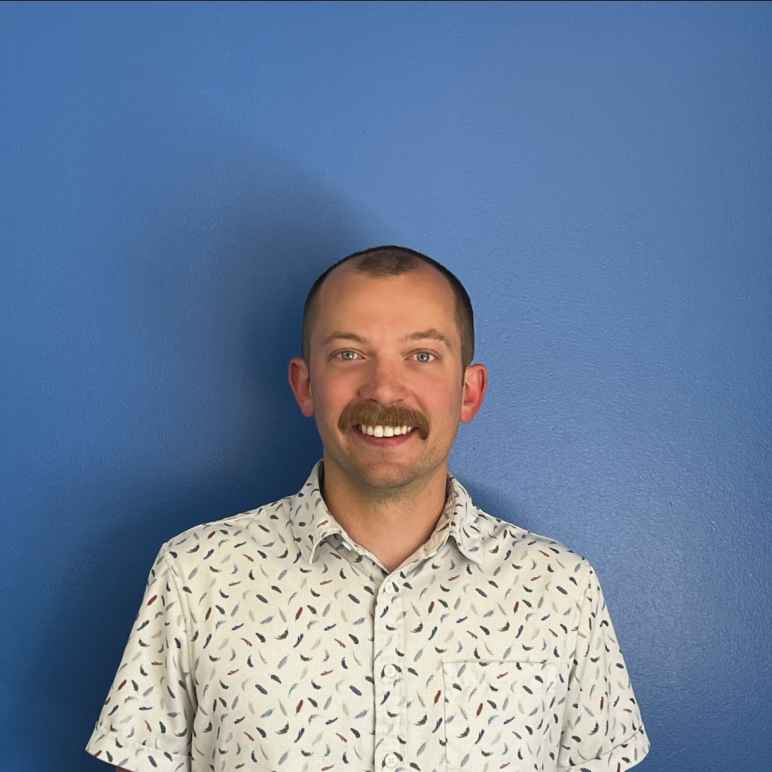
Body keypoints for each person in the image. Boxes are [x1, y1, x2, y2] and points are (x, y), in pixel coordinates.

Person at [86, 245, 650, 772]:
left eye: (422, 355)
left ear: (469, 392)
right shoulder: (196, 577)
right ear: (305, 386)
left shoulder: (562, 592)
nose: (385, 389)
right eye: (349, 354)